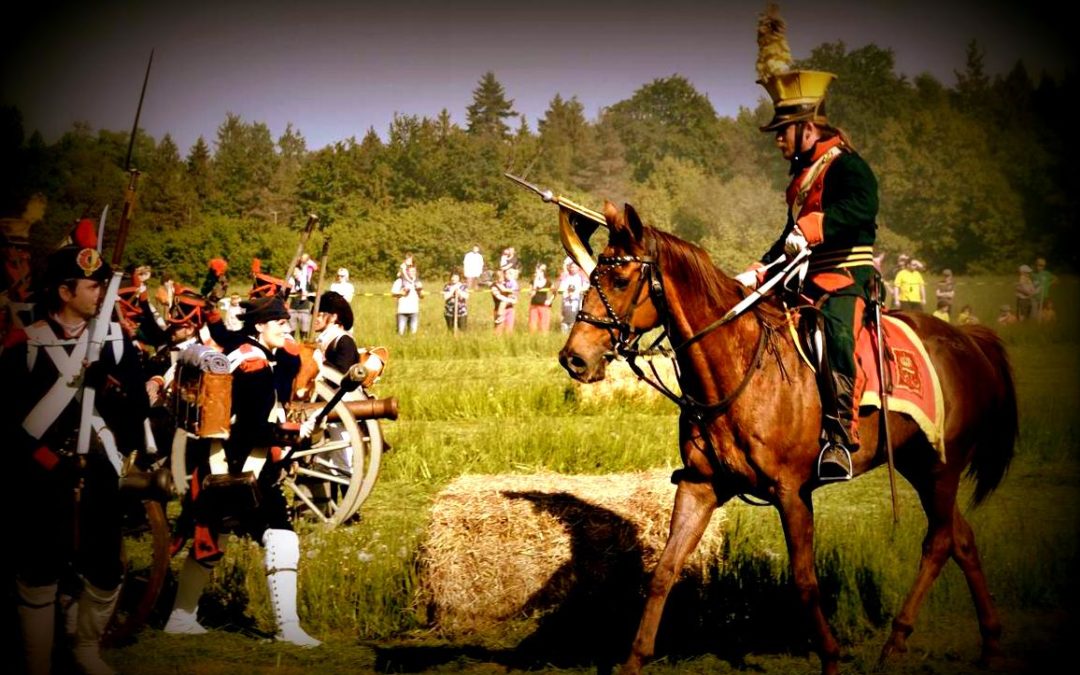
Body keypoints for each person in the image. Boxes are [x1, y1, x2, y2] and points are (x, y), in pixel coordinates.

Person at [3, 245, 151, 675]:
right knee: (38, 568)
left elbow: (137, 405)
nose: (100, 293)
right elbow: (8, 419)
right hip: (42, 471)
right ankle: (37, 662)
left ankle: (86, 648)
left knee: (105, 565)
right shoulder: (26, 344)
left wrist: (111, 390)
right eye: (92, 286)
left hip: (99, 467)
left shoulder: (114, 340)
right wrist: (46, 459)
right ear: (65, 291)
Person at [734, 50, 877, 481]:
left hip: (845, 277)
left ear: (809, 128)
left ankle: (838, 439)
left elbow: (862, 207)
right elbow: (789, 235)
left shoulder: (848, 165)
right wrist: (760, 268)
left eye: (783, 132)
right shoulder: (803, 174)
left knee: (835, 337)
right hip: (806, 278)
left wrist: (817, 226)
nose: (778, 141)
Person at [163, 295, 320, 647]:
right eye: (279, 322)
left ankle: (180, 617)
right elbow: (249, 429)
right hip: (242, 466)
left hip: (219, 464)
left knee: (212, 539)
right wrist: (294, 433)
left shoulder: (245, 355)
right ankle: (288, 629)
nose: (286, 327)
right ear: (259, 326)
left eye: (285, 322)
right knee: (282, 537)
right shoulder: (255, 366)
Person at [312, 290, 358, 374]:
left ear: (333, 317)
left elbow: (342, 376)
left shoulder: (344, 341)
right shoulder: (321, 338)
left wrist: (319, 360)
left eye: (318, 315)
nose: (313, 319)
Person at [391, 264, 422, 335]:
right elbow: (393, 293)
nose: (413, 273)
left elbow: (421, 296)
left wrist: (419, 292)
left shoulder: (417, 282)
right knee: (401, 333)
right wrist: (401, 293)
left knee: (413, 334)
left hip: (414, 310)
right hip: (402, 310)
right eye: (411, 271)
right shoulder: (400, 281)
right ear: (406, 272)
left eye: (414, 271)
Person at [558, 261, 588, 332]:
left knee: (575, 317)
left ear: (578, 268)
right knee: (565, 317)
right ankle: (564, 331)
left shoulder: (581, 278)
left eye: (574, 267)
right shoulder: (566, 277)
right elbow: (561, 288)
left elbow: (585, 287)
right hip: (566, 300)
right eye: (571, 267)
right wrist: (567, 293)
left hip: (577, 301)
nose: (572, 269)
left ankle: (573, 330)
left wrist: (575, 293)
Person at [528, 263, 555, 333]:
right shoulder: (532, 282)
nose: (536, 273)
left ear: (542, 272)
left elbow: (554, 292)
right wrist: (534, 284)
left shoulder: (548, 282)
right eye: (536, 272)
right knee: (532, 326)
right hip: (534, 306)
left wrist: (550, 300)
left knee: (544, 327)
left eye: (537, 271)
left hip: (544, 306)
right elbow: (531, 294)